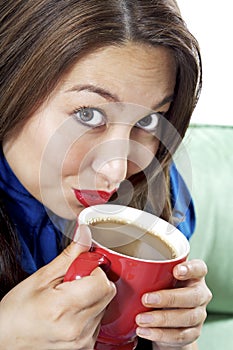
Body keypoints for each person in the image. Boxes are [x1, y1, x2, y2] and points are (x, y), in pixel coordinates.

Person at [0, 1, 212, 349]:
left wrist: (176, 340)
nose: (117, 170)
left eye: (147, 121)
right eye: (88, 115)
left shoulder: (160, 193)